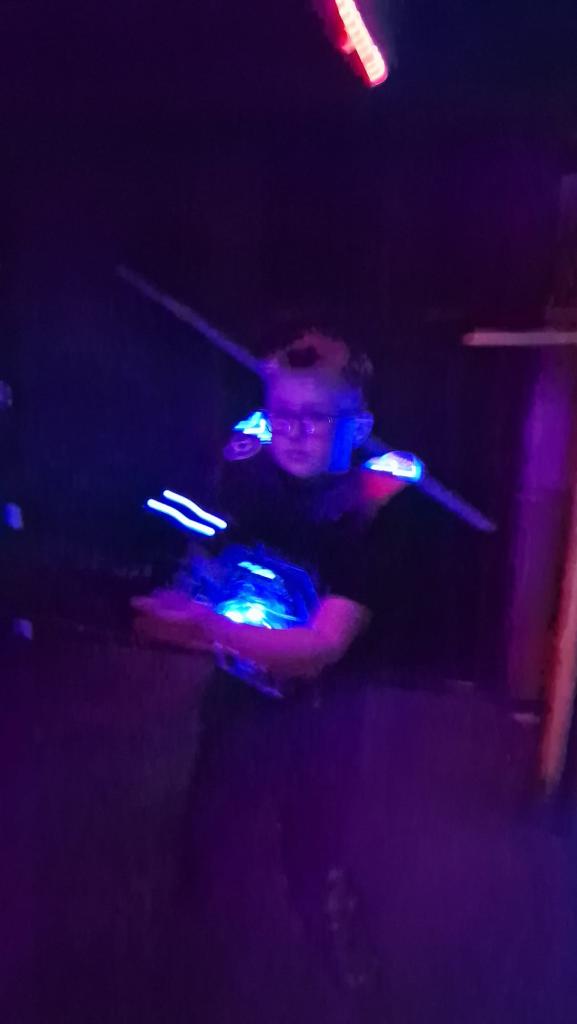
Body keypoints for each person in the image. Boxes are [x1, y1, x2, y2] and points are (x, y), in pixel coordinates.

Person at [133, 330, 408, 1021]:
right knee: (206, 832)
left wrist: (203, 627)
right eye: (282, 413)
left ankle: (336, 946)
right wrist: (192, 587)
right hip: (236, 701)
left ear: (358, 427)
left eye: (316, 417)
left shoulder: (362, 524)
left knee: (315, 851)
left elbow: (320, 646)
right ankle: (187, 958)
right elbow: (214, 563)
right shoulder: (250, 489)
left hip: (321, 720)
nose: (295, 431)